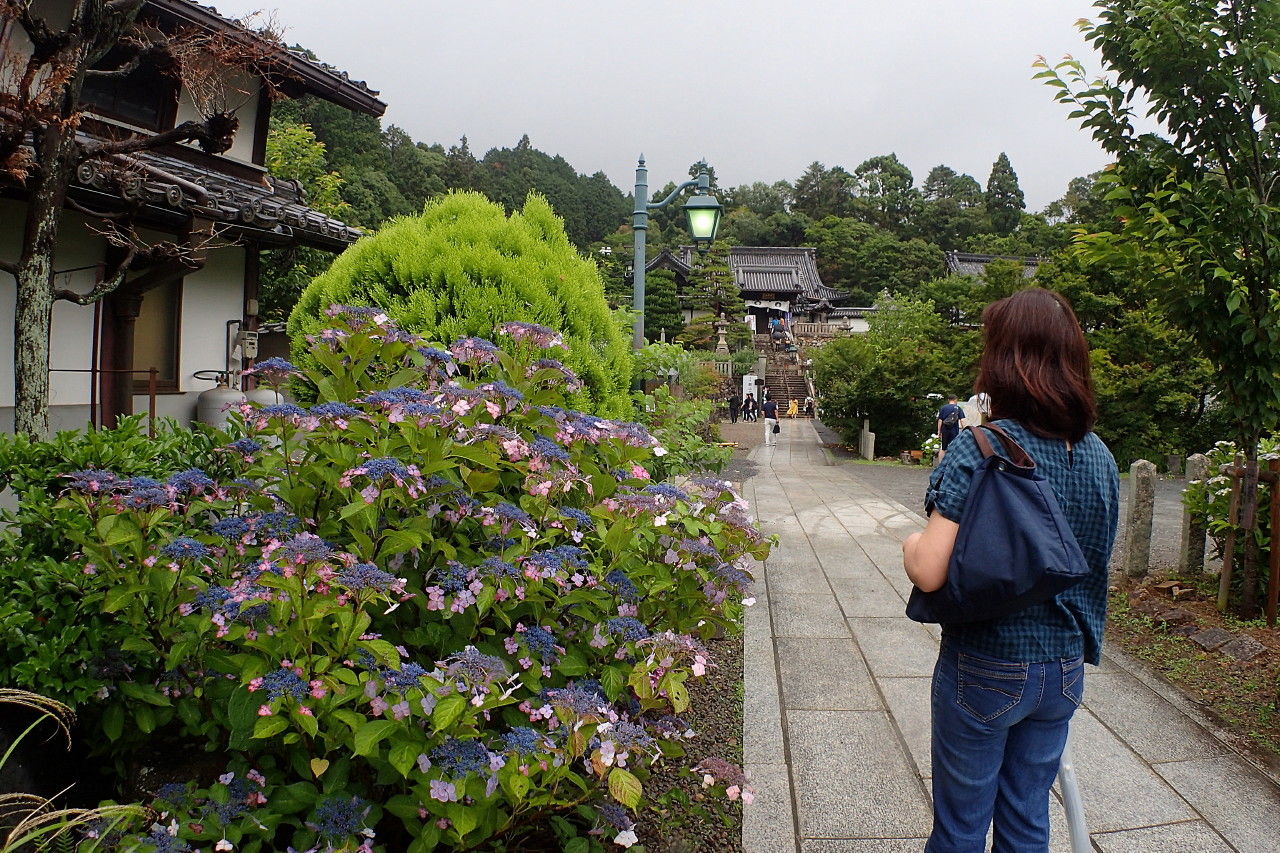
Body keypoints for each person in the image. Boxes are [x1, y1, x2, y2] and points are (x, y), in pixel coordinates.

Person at [901, 288, 1119, 853]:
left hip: (988, 664)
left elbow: (928, 570)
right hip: (1064, 668)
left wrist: (908, 541)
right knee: (1026, 820)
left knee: (961, 827)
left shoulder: (982, 447)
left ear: (1003, 359)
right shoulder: (1098, 454)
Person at [935, 394, 966, 462]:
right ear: (955, 400)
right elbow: (962, 420)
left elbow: (940, 420)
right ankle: (952, 464)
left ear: (948, 400)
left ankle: (940, 464)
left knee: (943, 448)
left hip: (945, 430)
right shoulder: (958, 408)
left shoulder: (943, 408)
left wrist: (939, 431)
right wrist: (965, 429)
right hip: (954, 430)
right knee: (954, 447)